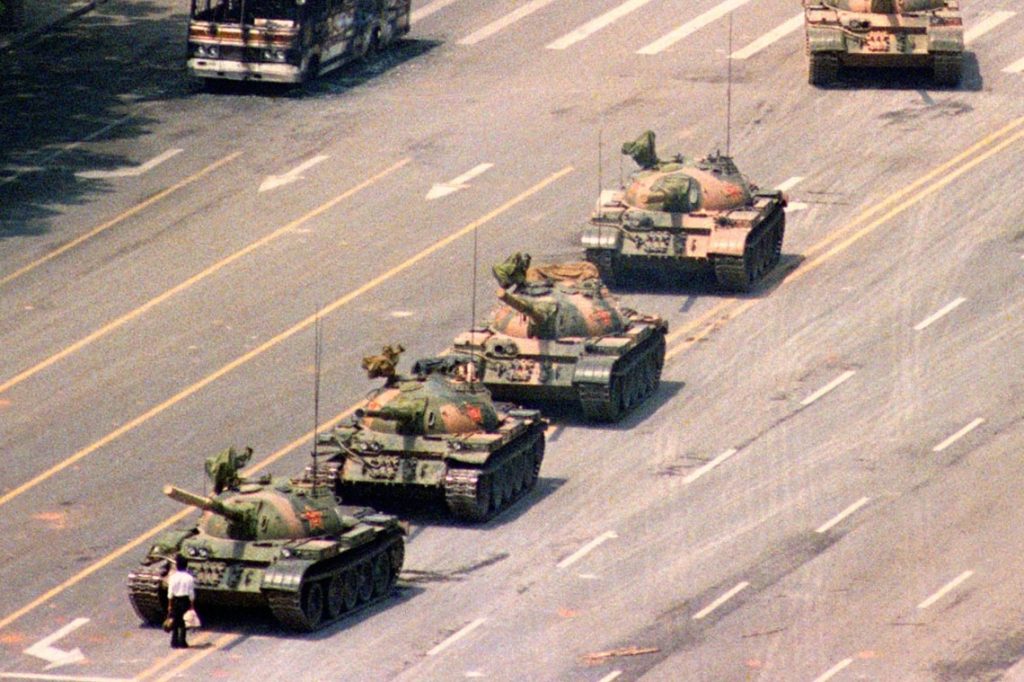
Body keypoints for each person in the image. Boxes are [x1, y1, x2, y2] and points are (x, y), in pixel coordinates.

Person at [167, 554, 196, 649]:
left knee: (175, 620)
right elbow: (191, 593)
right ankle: (182, 642)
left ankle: (174, 641)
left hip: (175, 600)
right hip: (185, 601)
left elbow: (170, 592)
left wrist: (170, 605)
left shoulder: (173, 577)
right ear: (186, 566)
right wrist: (191, 605)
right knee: (184, 622)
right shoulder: (189, 578)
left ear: (177, 566)